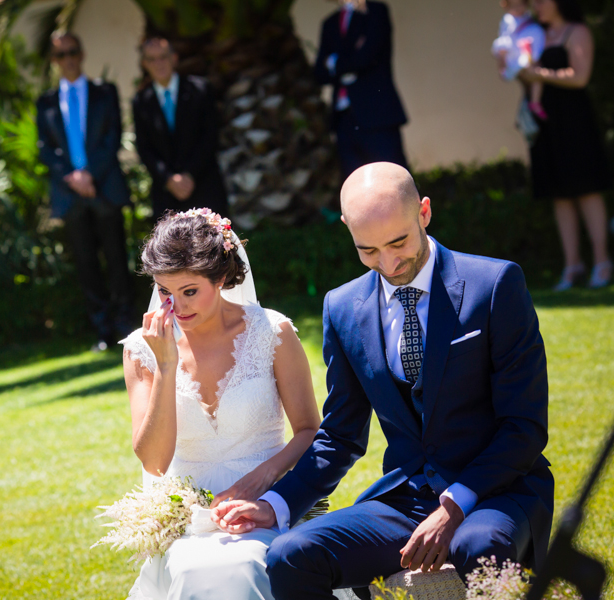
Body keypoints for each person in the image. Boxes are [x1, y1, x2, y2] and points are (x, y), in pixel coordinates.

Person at [213, 163, 554, 600]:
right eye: (368, 250)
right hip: (407, 500)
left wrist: (454, 506)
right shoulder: (342, 308)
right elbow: (339, 435)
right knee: (291, 554)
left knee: (479, 545)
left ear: (424, 212)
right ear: (347, 230)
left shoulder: (496, 285)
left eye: (399, 242)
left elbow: (523, 427)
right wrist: (274, 505)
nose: (389, 264)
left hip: (498, 491)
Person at [120, 208, 320, 599]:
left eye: (189, 291)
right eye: (165, 292)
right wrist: (165, 365)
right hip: (185, 516)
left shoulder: (271, 331)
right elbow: (154, 461)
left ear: (223, 277)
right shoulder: (141, 349)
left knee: (243, 567)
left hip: (265, 506)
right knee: (194, 570)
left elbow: (310, 430)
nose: (175, 307)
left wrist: (264, 479)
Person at [36, 32, 135, 352]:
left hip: (105, 187)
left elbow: (112, 137)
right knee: (86, 265)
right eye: (61, 54)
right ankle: (103, 331)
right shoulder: (46, 102)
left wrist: (90, 173)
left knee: (118, 259)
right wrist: (73, 178)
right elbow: (46, 150)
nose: (68, 58)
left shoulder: (104, 92)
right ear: (54, 59)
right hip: (71, 195)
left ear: (82, 52)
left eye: (73, 51)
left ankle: (126, 326)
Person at [519, 0, 613, 290]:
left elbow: (580, 76)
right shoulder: (533, 34)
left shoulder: (578, 31)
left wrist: (540, 74)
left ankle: (602, 261)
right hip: (545, 123)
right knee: (558, 193)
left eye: (542, 0)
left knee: (586, 189)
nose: (537, 5)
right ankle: (572, 266)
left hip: (574, 121)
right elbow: (522, 72)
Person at [132, 37, 230, 221]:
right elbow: (144, 148)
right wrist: (169, 179)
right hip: (167, 195)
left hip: (204, 185)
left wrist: (189, 175)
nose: (158, 63)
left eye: (163, 57)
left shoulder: (200, 89)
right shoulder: (141, 101)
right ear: (144, 64)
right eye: (152, 59)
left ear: (174, 58)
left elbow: (210, 136)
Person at [313, 0, 409, 179]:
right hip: (343, 119)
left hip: (377, 114)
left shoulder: (375, 12)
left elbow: (367, 57)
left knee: (393, 181)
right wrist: (350, 60)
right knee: (354, 184)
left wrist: (334, 62)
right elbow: (319, 73)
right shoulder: (330, 23)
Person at [491, 0, 546, 120]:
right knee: (534, 74)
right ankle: (534, 103)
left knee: (536, 74)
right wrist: (502, 60)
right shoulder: (507, 20)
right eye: (514, 6)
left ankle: (535, 102)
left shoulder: (529, 20)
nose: (518, 8)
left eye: (520, 4)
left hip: (524, 58)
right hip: (514, 60)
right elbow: (504, 39)